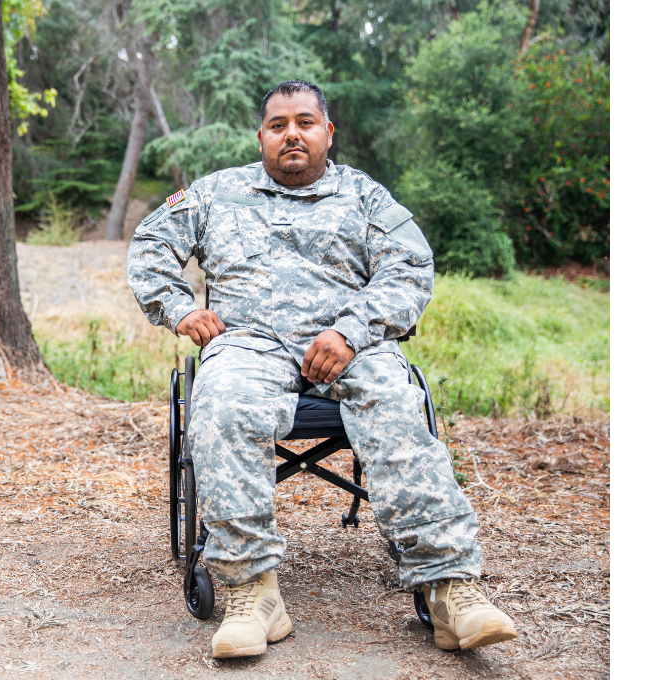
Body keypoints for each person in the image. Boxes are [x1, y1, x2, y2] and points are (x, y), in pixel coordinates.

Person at [126, 80, 518, 658]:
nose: (292, 134)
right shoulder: (216, 193)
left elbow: (410, 267)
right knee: (223, 400)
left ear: (327, 133)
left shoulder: (364, 196)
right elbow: (150, 243)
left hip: (348, 345)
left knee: (396, 398)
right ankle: (253, 594)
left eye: (305, 122)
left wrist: (352, 331)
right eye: (279, 124)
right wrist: (182, 308)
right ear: (261, 136)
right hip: (248, 344)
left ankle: (449, 590)